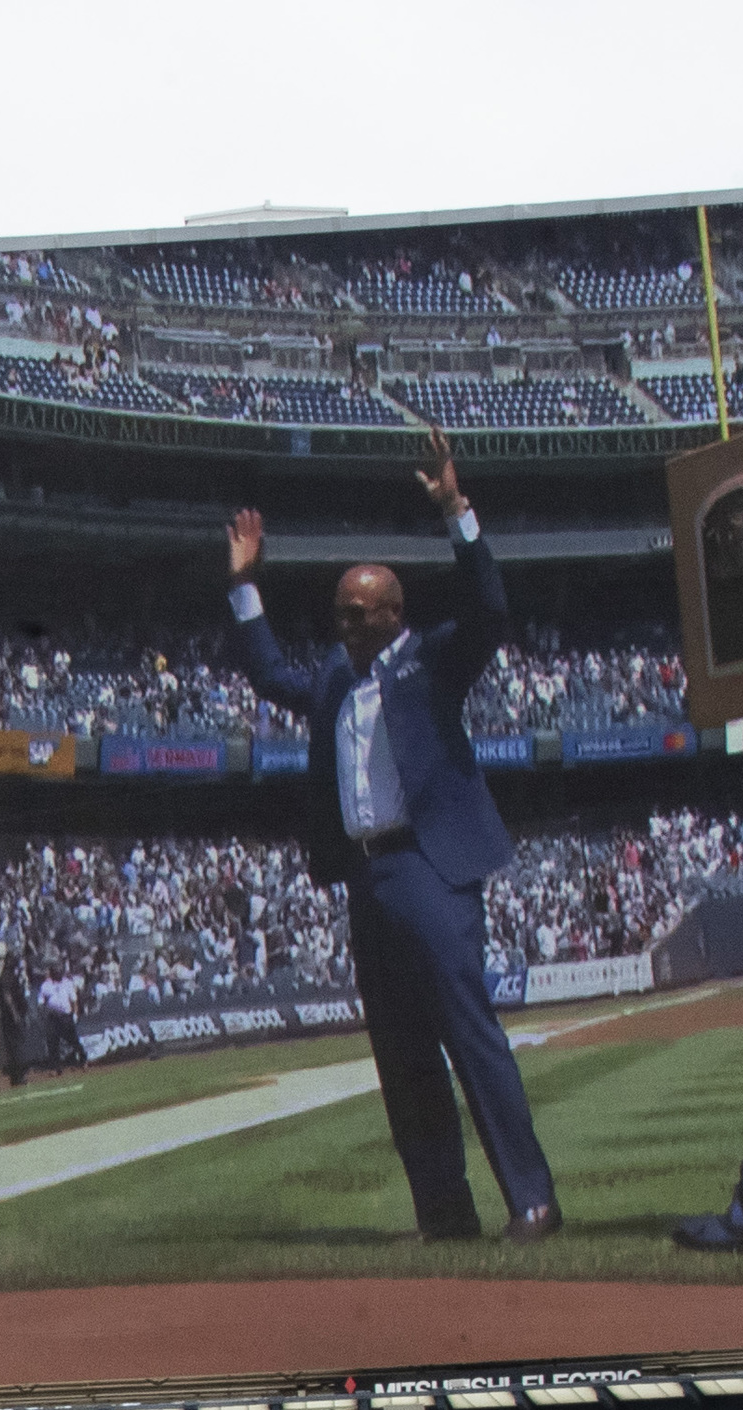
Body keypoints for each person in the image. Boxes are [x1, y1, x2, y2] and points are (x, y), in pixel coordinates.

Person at [221, 423, 558, 1245]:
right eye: (338, 615)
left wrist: (458, 514)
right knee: (402, 1057)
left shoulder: (432, 660)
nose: (342, 627)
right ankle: (445, 1214)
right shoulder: (337, 676)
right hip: (366, 876)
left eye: (357, 615)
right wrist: (245, 588)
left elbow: (489, 609)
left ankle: (534, 1202)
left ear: (393, 614)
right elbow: (271, 675)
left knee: (468, 1037)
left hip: (430, 869)